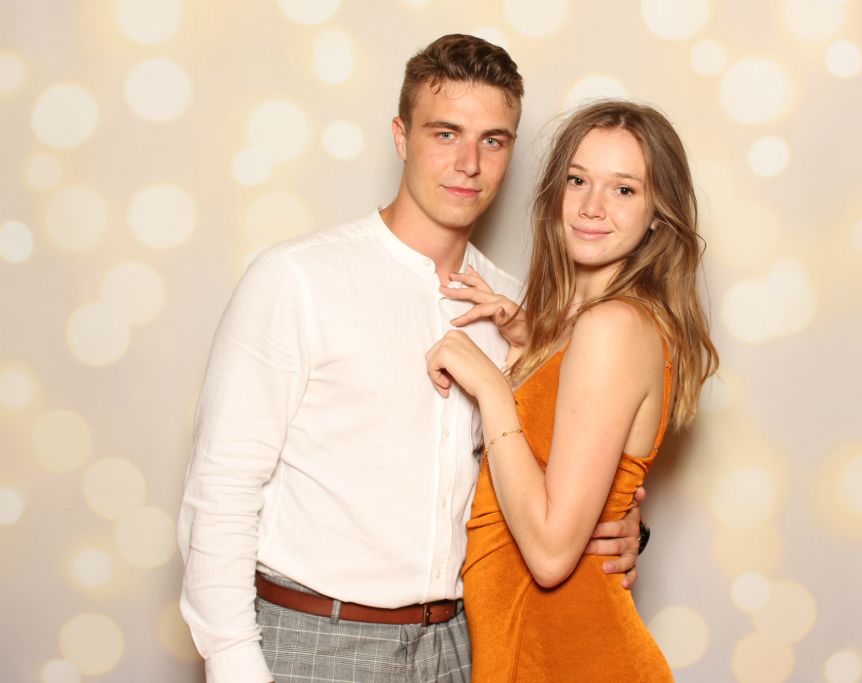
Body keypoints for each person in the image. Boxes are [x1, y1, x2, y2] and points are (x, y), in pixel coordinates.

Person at [177, 35, 644, 683]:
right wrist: (232, 662)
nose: (468, 164)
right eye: (445, 134)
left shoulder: (516, 309)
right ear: (401, 136)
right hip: (314, 641)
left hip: (465, 646)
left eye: (492, 140)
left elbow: (556, 475)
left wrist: (625, 525)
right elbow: (222, 486)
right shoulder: (298, 279)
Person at [425, 100, 719, 681]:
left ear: (658, 213)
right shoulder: (580, 326)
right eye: (578, 180)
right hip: (533, 655)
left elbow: (551, 554)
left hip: (575, 657)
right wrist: (532, 343)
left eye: (624, 190)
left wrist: (492, 388)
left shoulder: (612, 327)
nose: (591, 207)